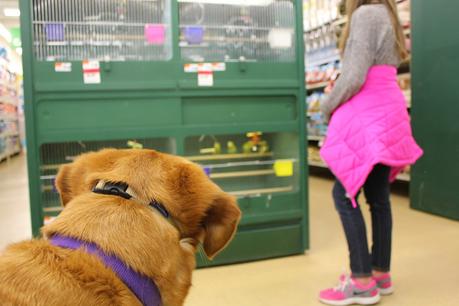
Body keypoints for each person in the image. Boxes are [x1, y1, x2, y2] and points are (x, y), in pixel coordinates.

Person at [317, 0, 423, 305]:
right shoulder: (387, 13)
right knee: (378, 198)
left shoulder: (364, 14)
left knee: (343, 194)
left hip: (368, 111)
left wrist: (327, 106)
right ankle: (380, 273)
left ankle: (361, 281)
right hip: (388, 109)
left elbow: (354, 76)